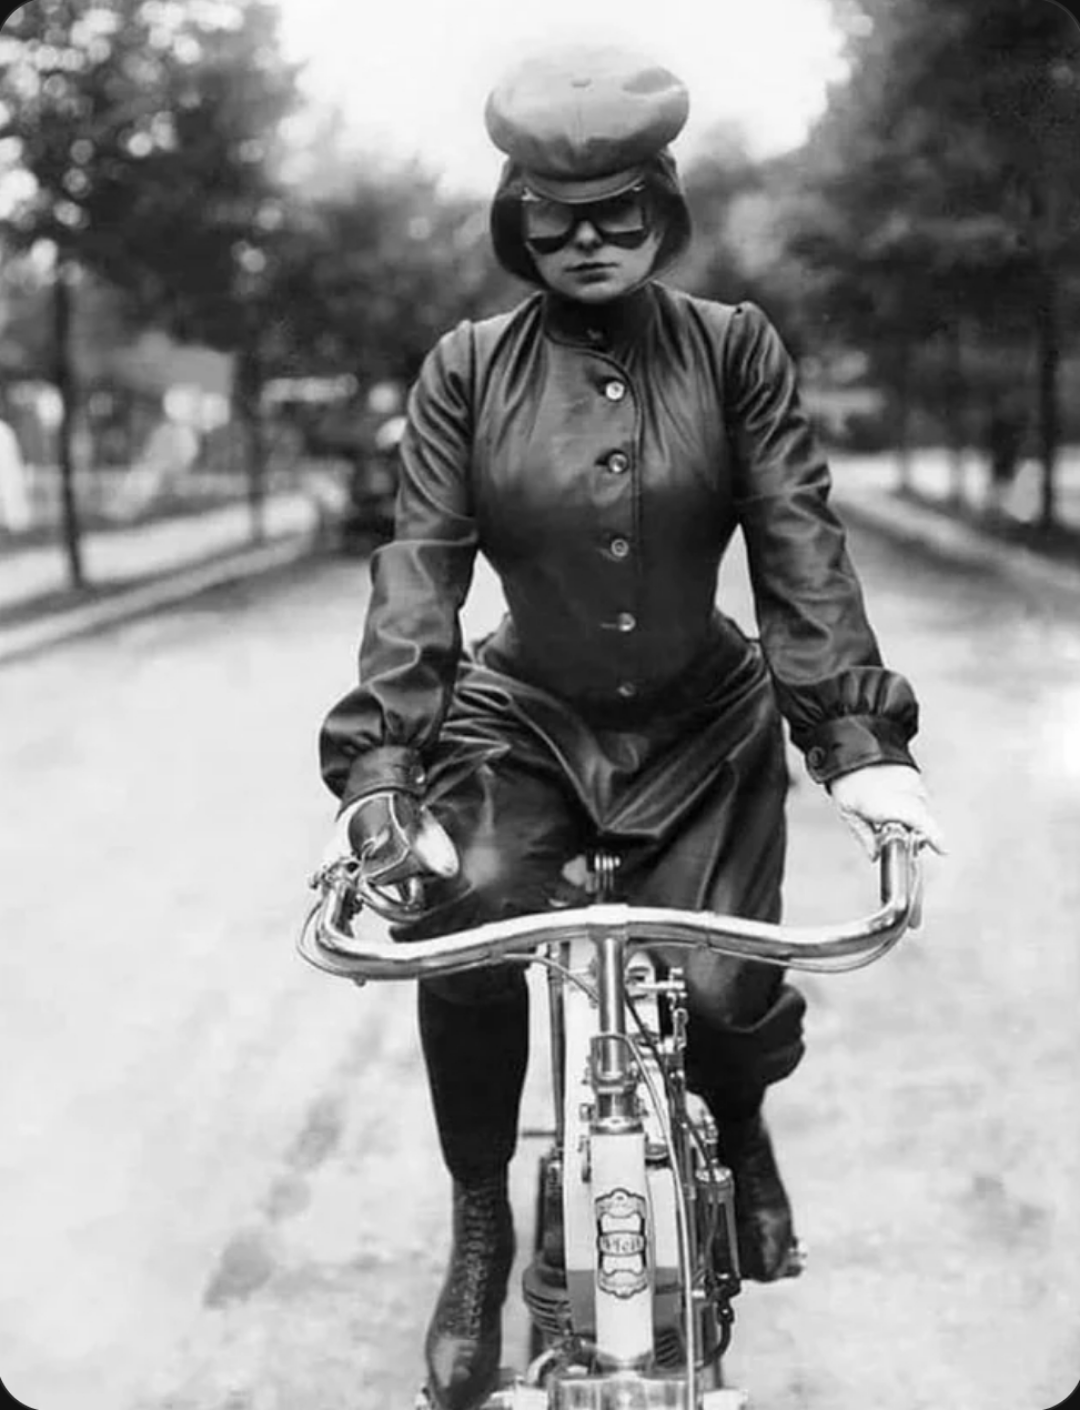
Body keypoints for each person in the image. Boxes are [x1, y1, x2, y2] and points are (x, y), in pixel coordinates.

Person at [319, 46, 944, 1410]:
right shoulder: (465, 370)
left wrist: (859, 744)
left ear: (663, 209)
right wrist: (383, 774)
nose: (590, 241)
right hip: (521, 723)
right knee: (463, 924)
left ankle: (746, 1127)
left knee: (728, 988)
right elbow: (416, 568)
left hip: (705, 724)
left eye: (620, 212)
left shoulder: (734, 349)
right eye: (558, 218)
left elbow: (799, 546)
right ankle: (481, 1228)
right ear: (516, 220)